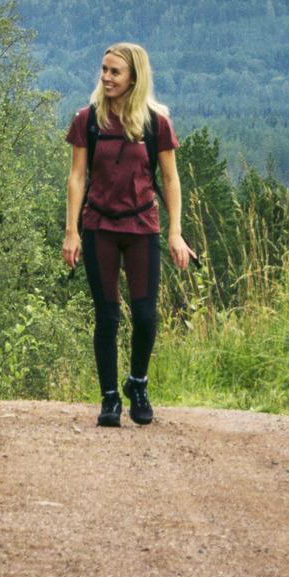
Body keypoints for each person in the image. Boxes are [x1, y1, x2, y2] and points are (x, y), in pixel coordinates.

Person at [63, 42, 192, 427]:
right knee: (106, 316)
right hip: (99, 227)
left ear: (134, 77)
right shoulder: (88, 119)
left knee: (145, 315)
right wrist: (71, 232)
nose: (106, 77)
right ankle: (108, 398)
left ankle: (137, 383)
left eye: (115, 72)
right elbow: (77, 177)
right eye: (103, 70)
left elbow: (170, 179)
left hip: (141, 228)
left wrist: (176, 233)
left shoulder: (156, 123)